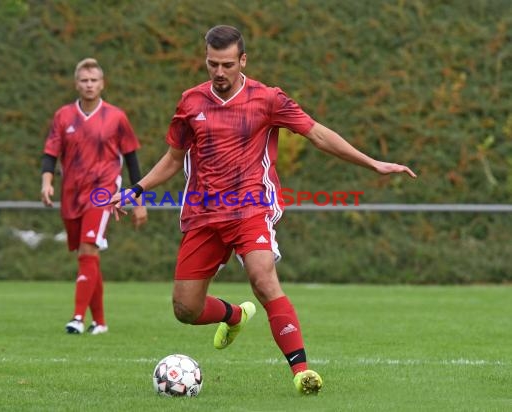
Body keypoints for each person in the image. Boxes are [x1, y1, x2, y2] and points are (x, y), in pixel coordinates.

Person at [111, 25, 416, 394]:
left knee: (262, 277)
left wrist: (373, 164)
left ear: (243, 60)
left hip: (251, 207)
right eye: (212, 64)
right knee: (185, 310)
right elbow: (175, 159)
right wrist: (137, 189)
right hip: (204, 214)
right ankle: (235, 315)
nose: (219, 72)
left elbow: (317, 133)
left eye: (227, 64)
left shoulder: (268, 99)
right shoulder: (190, 103)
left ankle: (301, 371)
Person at [40, 58, 147, 335]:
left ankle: (76, 318)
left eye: (94, 80)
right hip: (72, 194)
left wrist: (138, 202)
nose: (89, 85)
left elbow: (133, 161)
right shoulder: (63, 116)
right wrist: (47, 182)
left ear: (102, 84)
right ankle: (99, 323)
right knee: (87, 254)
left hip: (104, 192)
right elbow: (50, 153)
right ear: (77, 84)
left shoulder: (116, 117)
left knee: (89, 248)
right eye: (84, 80)